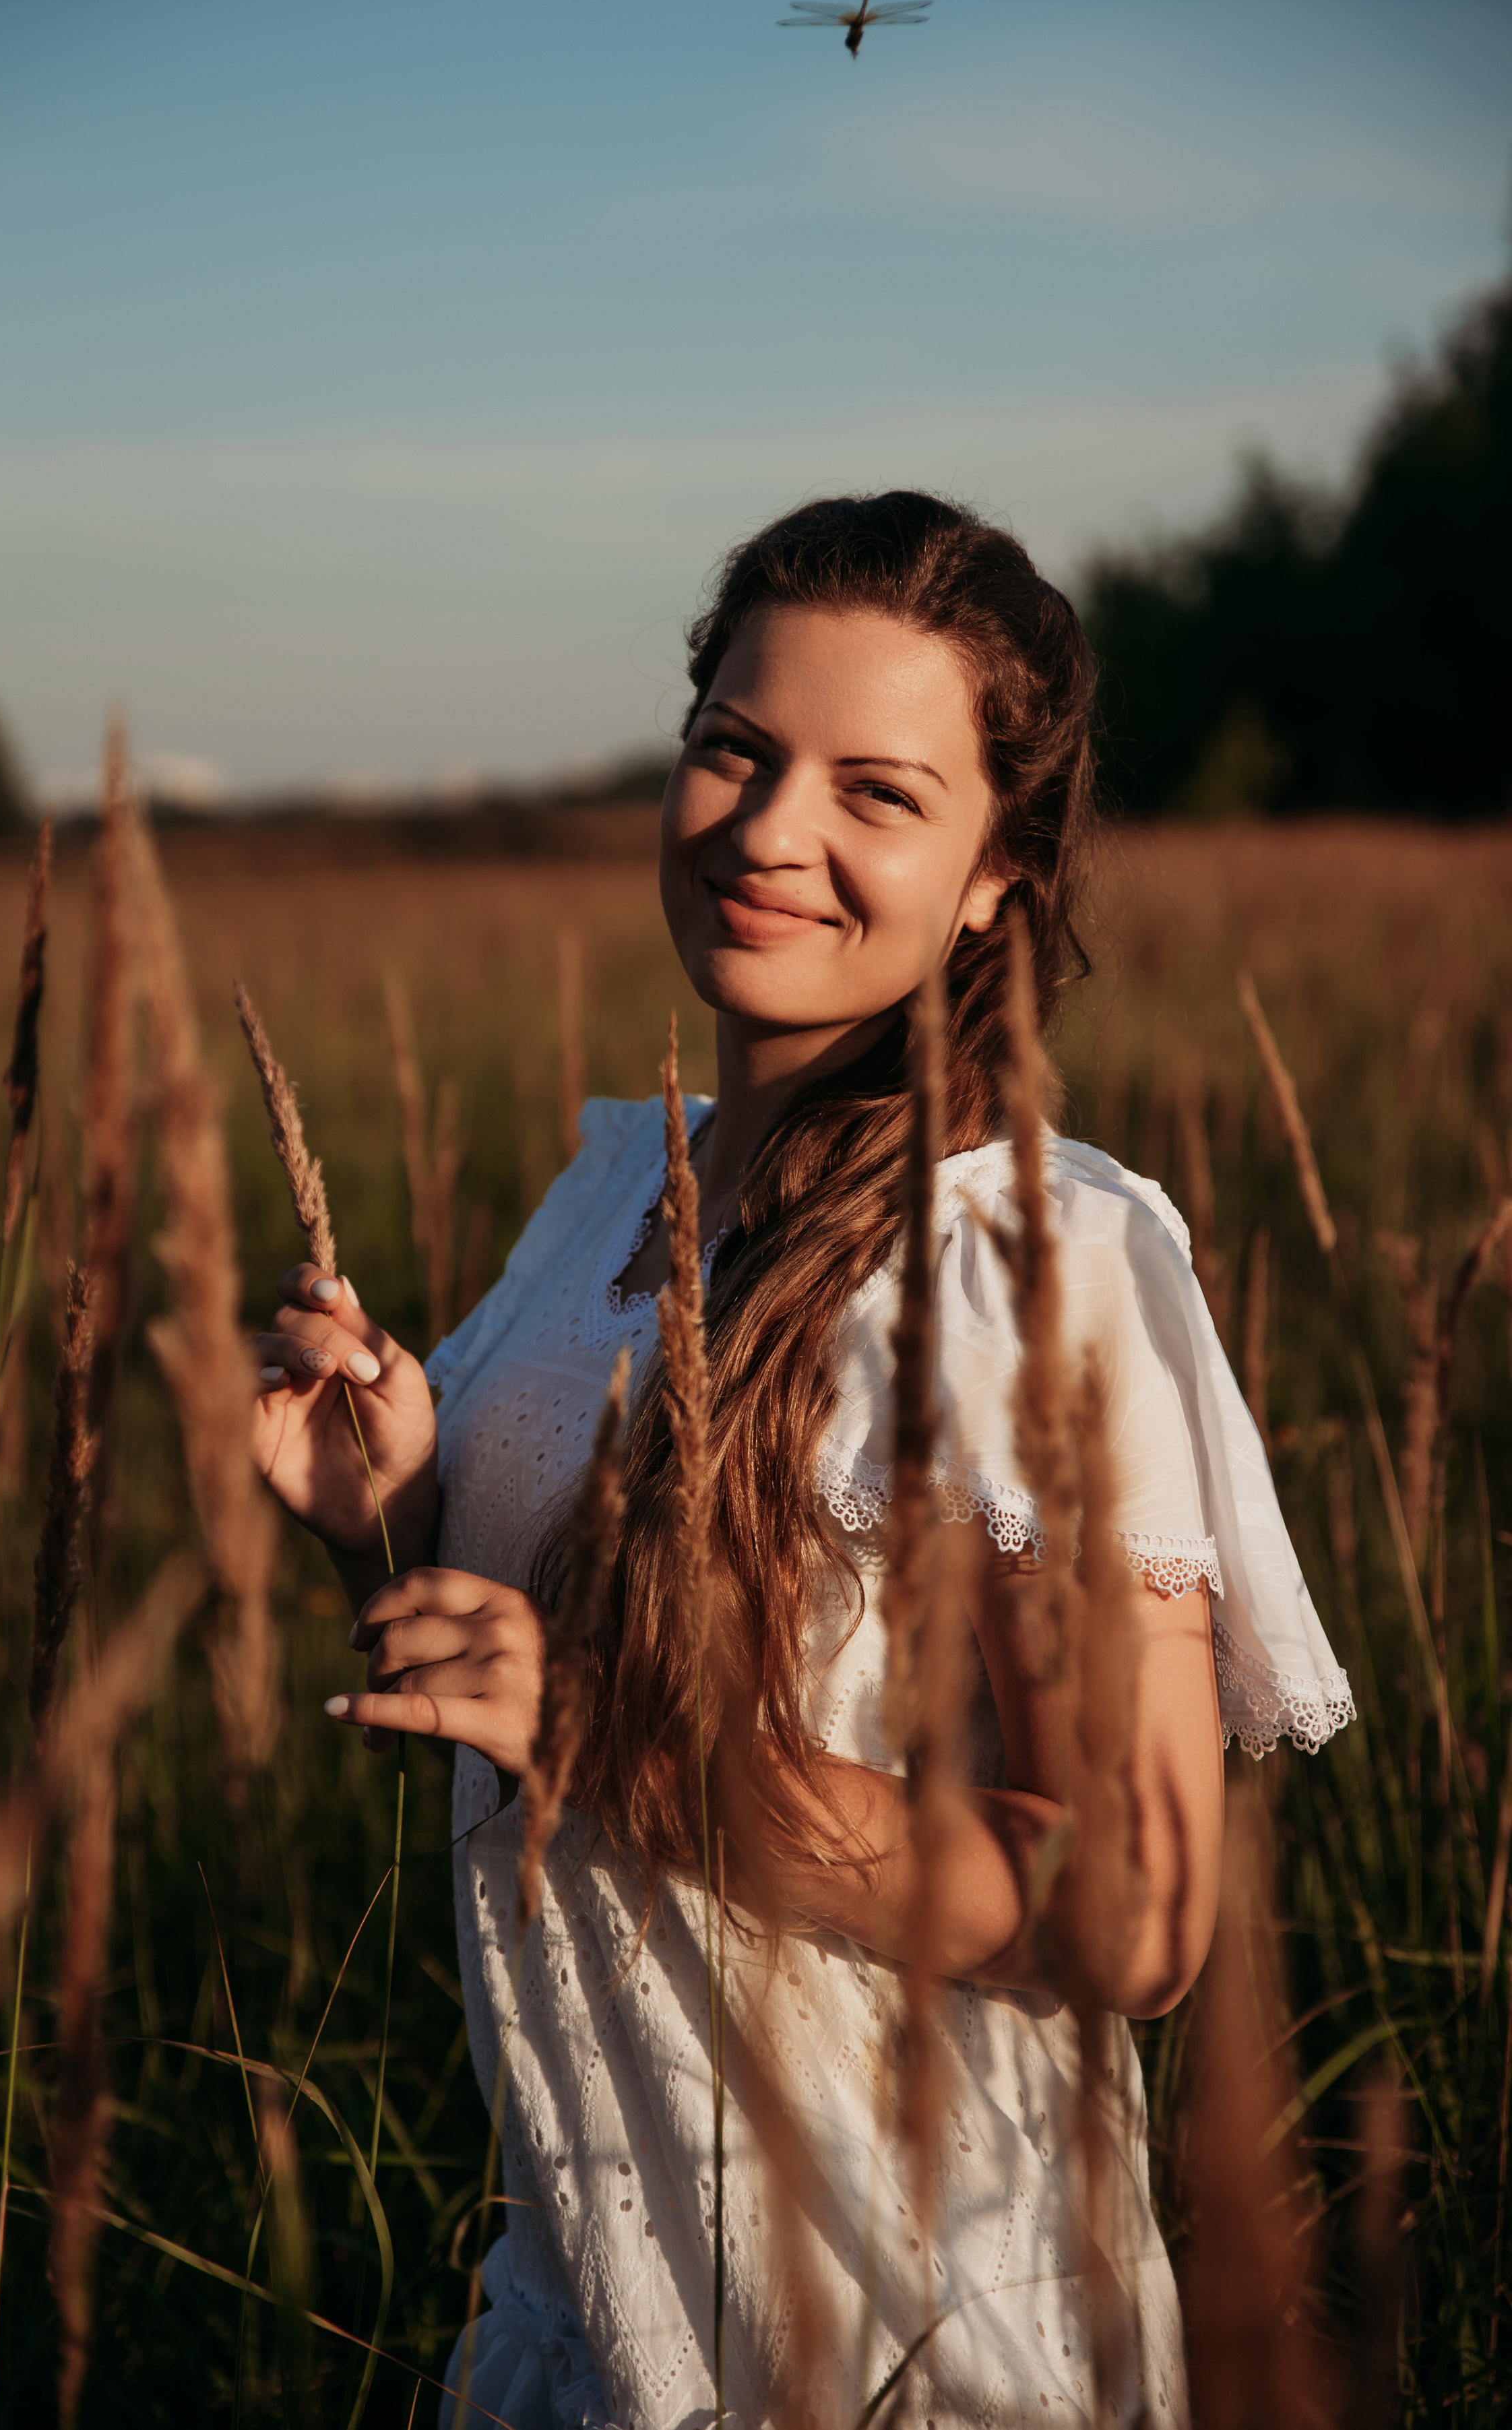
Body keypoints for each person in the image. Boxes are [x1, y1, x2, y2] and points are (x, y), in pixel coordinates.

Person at [249, 493, 1356, 2430]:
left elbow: (1137, 1910)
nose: (769, 831)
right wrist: (388, 1521)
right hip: (594, 2293)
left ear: (997, 874)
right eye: (736, 750)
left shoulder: (1033, 1260)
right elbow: (531, 1720)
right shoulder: (619, 1189)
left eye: (877, 792)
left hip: (907, 2321)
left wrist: (620, 1731)